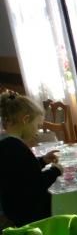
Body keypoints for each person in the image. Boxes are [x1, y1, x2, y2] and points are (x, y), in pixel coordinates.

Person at [0, 92, 62, 227]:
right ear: (26, 120)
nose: (37, 132)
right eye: (37, 126)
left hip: (15, 209)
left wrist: (43, 161)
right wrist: (55, 171)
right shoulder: (16, 147)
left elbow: (22, 172)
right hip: (30, 214)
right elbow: (36, 185)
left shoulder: (6, 143)